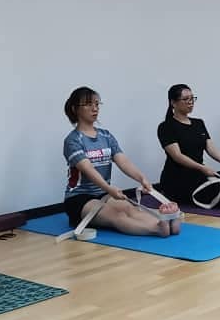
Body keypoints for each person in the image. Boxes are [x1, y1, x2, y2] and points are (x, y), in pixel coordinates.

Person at [63, 86, 180, 237]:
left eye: (97, 104)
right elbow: (88, 169)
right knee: (117, 215)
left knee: (131, 209)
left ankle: (165, 223)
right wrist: (109, 188)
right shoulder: (73, 140)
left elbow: (123, 161)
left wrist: (141, 178)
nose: (95, 108)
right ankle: (157, 229)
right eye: (88, 104)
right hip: (79, 198)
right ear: (75, 109)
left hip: (104, 193)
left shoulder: (106, 136)